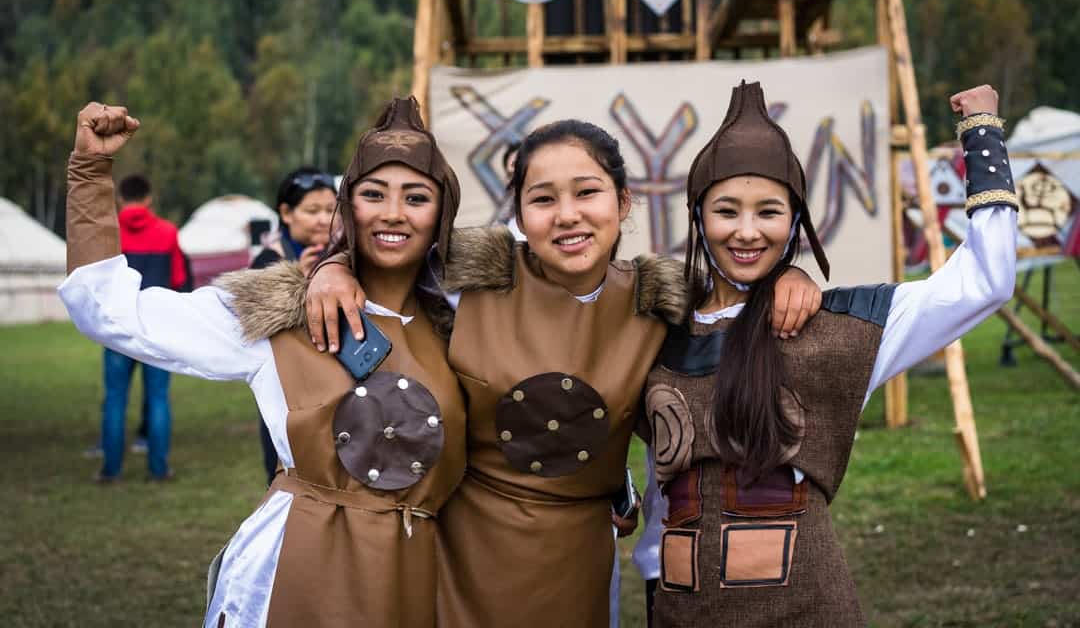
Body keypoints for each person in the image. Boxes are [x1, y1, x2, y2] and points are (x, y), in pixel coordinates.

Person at [305, 119, 824, 628]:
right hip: (466, 551)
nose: (567, 216)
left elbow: (732, 298)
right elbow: (388, 248)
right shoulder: (471, 279)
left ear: (622, 202)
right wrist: (334, 265)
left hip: (582, 551)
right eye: (544, 199)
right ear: (520, 212)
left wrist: (789, 274)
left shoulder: (661, 299)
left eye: (587, 192)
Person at [60, 97, 466, 627]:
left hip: (418, 576)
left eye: (416, 197)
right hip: (290, 574)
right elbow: (110, 312)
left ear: (443, 214)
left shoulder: (467, 325)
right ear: (348, 209)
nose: (392, 213)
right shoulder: (275, 312)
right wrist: (90, 172)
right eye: (372, 194)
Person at [642, 82, 1017, 626]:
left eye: (768, 211)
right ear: (698, 217)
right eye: (726, 210)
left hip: (806, 610)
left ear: (794, 222)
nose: (747, 231)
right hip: (681, 611)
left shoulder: (840, 330)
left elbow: (984, 281)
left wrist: (982, 135)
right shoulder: (658, 332)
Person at [84, 173, 187, 482]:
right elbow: (180, 280)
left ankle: (110, 470)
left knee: (115, 397)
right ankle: (159, 469)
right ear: (149, 199)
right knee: (158, 397)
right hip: (156, 327)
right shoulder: (168, 232)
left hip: (117, 328)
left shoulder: (108, 233)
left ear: (120, 199)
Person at [250, 167, 336, 485]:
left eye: (330, 210)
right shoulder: (267, 261)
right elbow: (256, 330)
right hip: (285, 394)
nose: (322, 219)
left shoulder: (344, 257)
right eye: (312, 211)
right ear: (286, 213)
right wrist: (297, 280)